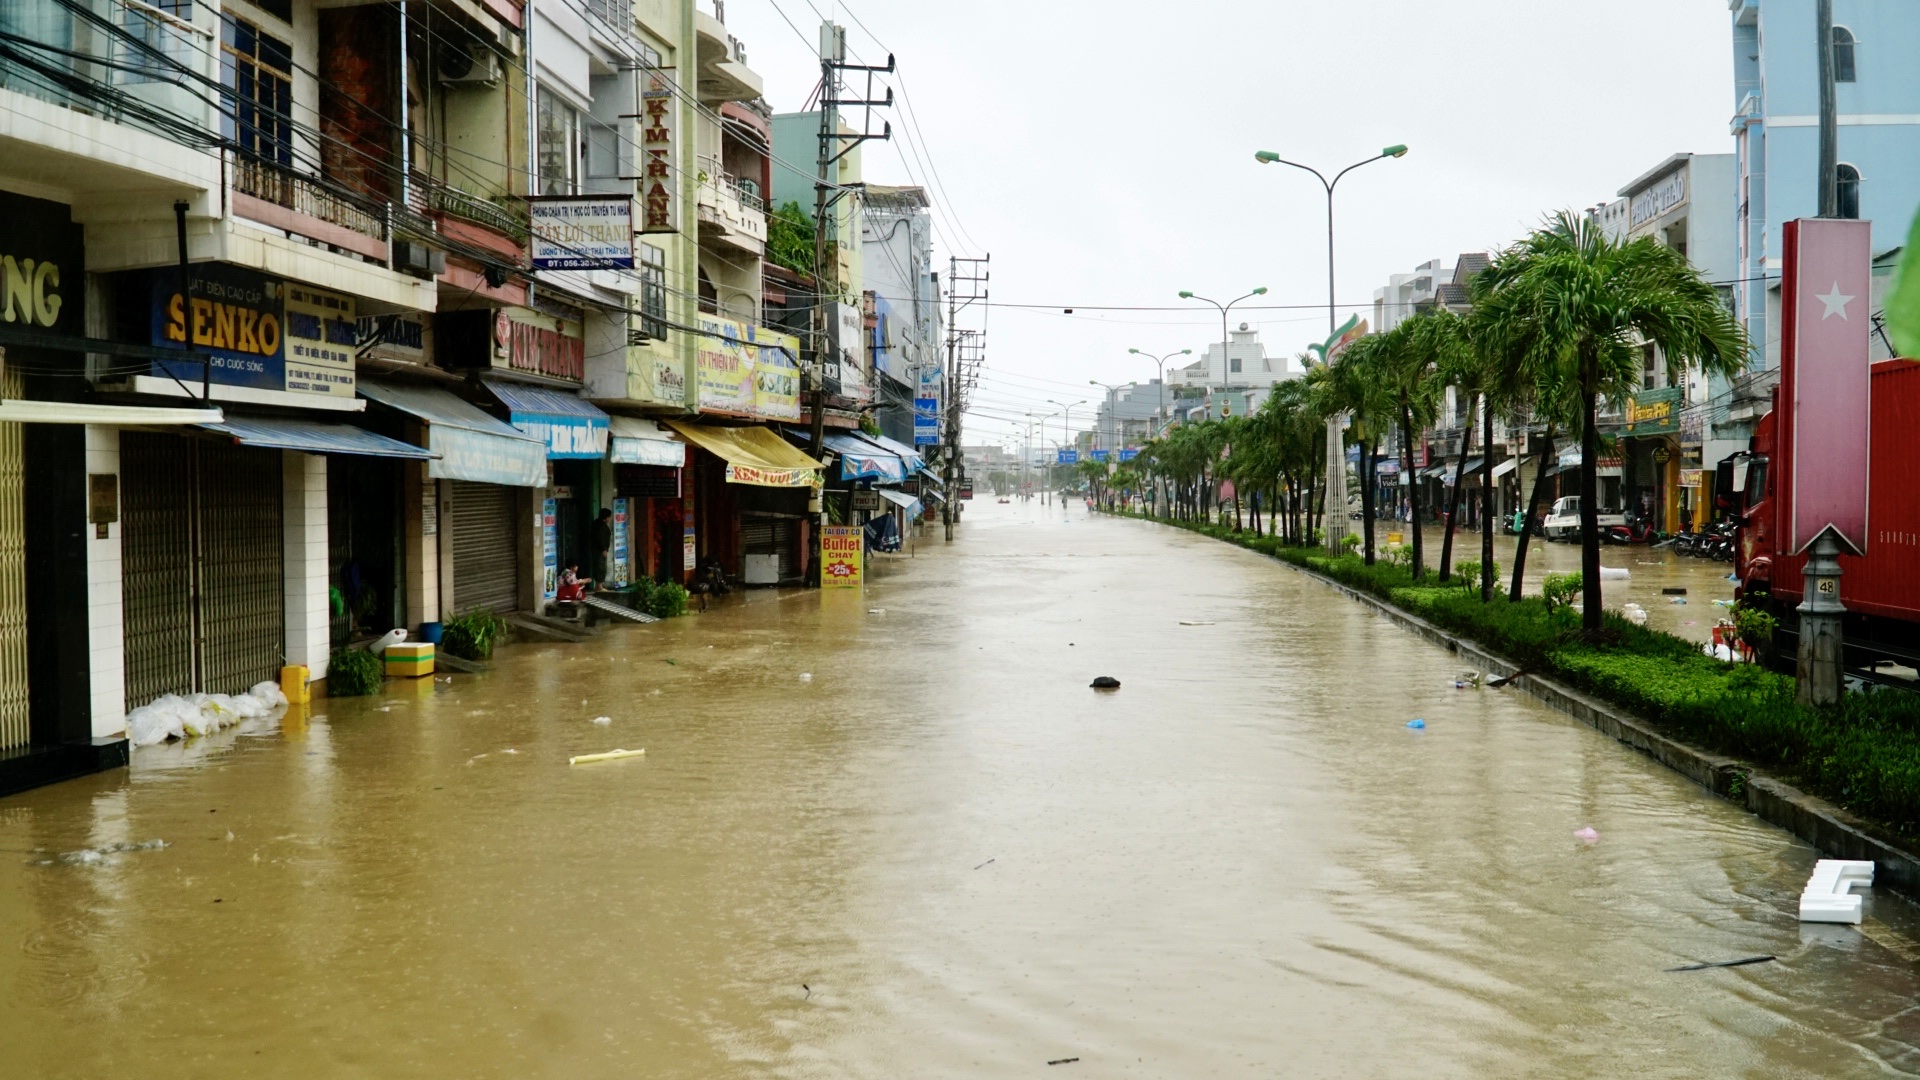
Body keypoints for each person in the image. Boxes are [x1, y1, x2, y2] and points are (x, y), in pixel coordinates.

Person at [590, 508, 613, 589]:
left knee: (599, 566)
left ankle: (598, 584)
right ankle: (599, 585)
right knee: (601, 566)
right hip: (600, 550)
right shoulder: (601, 525)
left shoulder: (597, 523)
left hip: (598, 549)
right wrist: (604, 549)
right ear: (606, 517)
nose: (610, 519)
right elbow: (600, 538)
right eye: (609, 517)